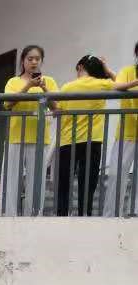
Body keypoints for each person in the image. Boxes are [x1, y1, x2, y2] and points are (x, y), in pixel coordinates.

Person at [56, 55, 138, 216]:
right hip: (92, 140)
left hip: (67, 140)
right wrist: (125, 78)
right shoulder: (101, 84)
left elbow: (58, 110)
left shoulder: (67, 87)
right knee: (88, 183)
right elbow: (122, 86)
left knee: (64, 182)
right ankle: (84, 215)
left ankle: (61, 215)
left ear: (80, 67)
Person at [2, 45, 59, 217]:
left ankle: (33, 217)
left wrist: (44, 89)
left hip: (40, 137)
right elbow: (7, 104)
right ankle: (9, 217)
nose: (34, 62)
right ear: (23, 61)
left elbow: (57, 108)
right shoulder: (13, 82)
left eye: (37, 59)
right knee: (11, 180)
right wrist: (28, 86)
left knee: (36, 181)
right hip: (15, 136)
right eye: (30, 59)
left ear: (41, 61)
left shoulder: (49, 81)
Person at [105, 42, 138, 217]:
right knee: (116, 173)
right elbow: (116, 86)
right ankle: (112, 215)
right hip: (127, 131)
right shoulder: (127, 71)